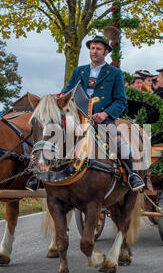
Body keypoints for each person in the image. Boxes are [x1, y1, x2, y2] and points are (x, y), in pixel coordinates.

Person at [62, 35, 145, 191]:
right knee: (55, 135)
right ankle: (42, 174)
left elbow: (121, 101)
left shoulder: (114, 73)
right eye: (92, 48)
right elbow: (66, 93)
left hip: (102, 120)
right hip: (78, 118)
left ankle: (133, 175)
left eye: (98, 49)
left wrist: (105, 114)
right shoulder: (79, 71)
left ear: (105, 52)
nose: (94, 52)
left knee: (120, 142)